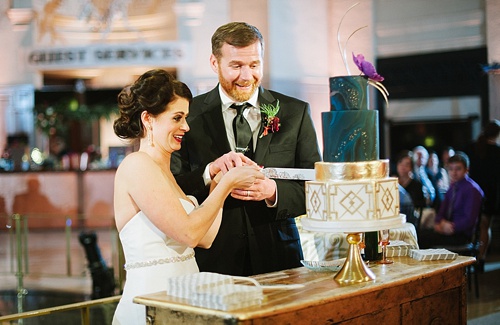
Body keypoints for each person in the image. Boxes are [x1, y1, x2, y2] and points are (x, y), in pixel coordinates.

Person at [111, 69, 264, 324]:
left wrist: (217, 182)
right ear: (149, 119)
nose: (186, 126)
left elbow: (205, 238)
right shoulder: (136, 165)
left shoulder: (165, 172)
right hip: (151, 302)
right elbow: (188, 233)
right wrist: (227, 184)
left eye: (186, 118)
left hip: (184, 299)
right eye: (177, 118)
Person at [171, 22, 321, 276]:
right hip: (213, 260)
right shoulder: (188, 115)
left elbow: (317, 185)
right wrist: (209, 172)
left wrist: (274, 192)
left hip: (279, 257)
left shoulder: (295, 113)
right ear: (214, 63)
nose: (246, 76)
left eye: (254, 65)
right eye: (236, 66)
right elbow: (173, 185)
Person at [418, 152, 484, 249]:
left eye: (458, 169)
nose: (454, 172)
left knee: (421, 238)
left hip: (461, 235)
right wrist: (440, 223)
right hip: (447, 229)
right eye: (451, 169)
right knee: (418, 234)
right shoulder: (453, 186)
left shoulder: (472, 189)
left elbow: (470, 220)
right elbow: (442, 210)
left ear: (467, 170)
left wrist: (452, 227)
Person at [469, 120, 500, 271]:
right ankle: (481, 257)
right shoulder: (497, 151)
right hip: (490, 193)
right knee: (485, 227)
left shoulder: (473, 147)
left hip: (472, 192)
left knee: (475, 225)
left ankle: (472, 256)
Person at [395, 150, 426, 226]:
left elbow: (418, 206)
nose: (403, 167)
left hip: (409, 219)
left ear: (411, 167)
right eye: (400, 163)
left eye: (407, 164)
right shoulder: (393, 182)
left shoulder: (416, 184)